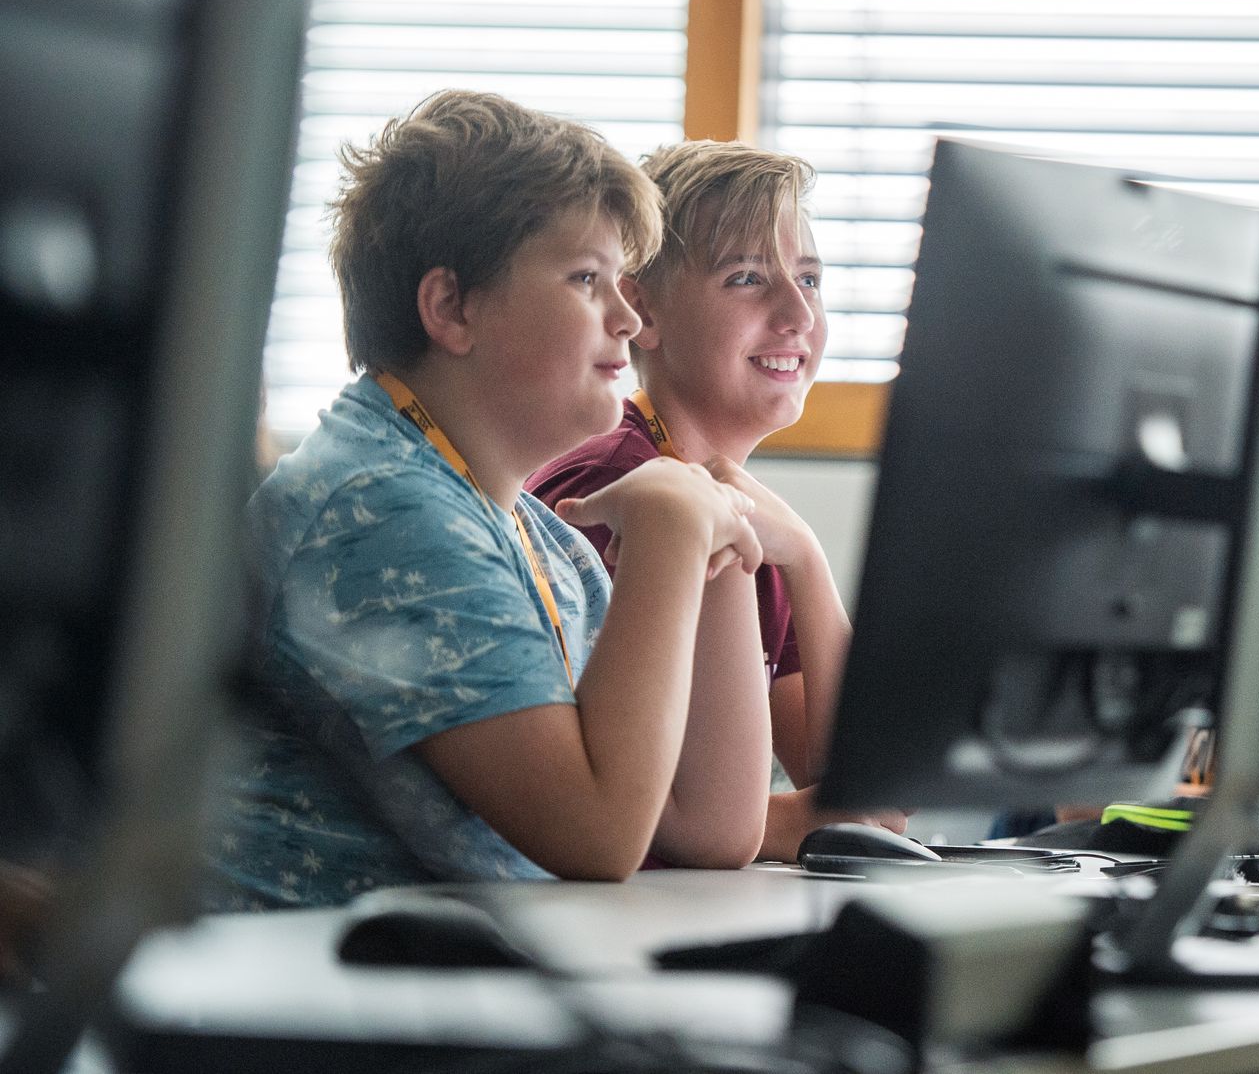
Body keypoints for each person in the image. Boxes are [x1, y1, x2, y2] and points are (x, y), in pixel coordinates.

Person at [209, 92, 765, 910]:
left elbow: (710, 826)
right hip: (311, 999)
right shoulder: (381, 508)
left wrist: (717, 546)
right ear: (452, 308)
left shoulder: (538, 536)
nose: (628, 318)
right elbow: (598, 835)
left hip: (441, 979)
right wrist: (672, 536)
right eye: (586, 279)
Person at [530, 140, 903, 863]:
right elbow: (660, 820)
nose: (797, 313)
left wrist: (807, 560)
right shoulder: (610, 489)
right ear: (642, 310)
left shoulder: (755, 519)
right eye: (747, 278)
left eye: (810, 279)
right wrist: (806, 820)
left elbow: (873, 801)